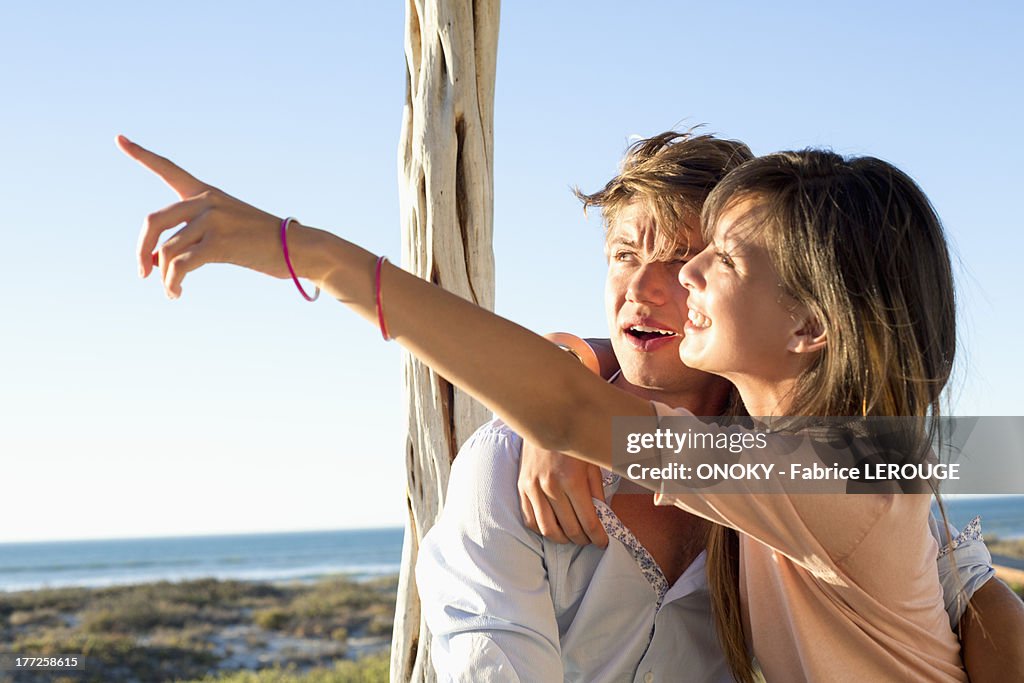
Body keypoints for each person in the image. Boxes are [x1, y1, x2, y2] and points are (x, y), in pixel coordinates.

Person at [119, 134, 1024, 680]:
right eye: (634, 256)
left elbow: (563, 409)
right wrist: (583, 370)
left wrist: (306, 252)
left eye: (714, 258)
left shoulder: (822, 471)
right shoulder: (851, 455)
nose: (676, 280)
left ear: (810, 328)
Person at [413, 133, 1015, 682]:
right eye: (624, 255)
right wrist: (555, 381)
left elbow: (970, 591)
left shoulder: (804, 454)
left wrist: (560, 384)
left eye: (688, 258)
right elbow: (490, 657)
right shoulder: (507, 460)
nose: (644, 289)